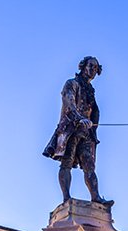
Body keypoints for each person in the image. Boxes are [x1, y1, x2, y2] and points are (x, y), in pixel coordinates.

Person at [43, 56, 112, 205]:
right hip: (70, 129)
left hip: (86, 132)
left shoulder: (90, 91)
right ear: (82, 66)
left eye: (95, 68)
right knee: (66, 162)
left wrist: (93, 127)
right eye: (90, 66)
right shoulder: (72, 83)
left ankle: (96, 197)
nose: (93, 70)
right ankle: (66, 198)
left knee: (90, 165)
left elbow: (93, 111)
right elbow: (69, 102)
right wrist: (80, 118)